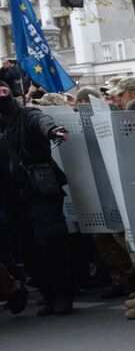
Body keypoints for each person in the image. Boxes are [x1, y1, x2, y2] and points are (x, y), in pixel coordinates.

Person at [0, 79, 73, 315]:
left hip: (39, 192)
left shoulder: (27, 115)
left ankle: (63, 294)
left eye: (2, 92)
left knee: (50, 241)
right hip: (13, 197)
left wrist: (53, 131)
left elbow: (42, 121)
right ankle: (48, 294)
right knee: (27, 248)